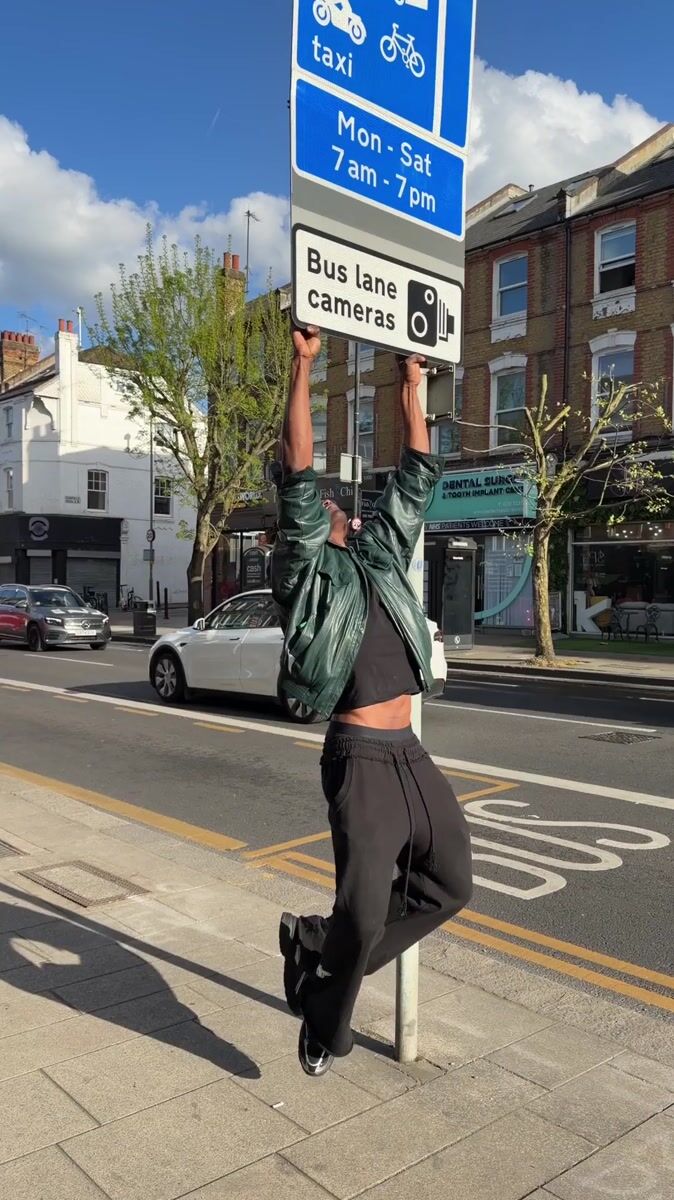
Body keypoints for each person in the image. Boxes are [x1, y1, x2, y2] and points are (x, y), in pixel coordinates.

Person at [271, 327, 473, 1077]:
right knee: (360, 913)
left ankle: (316, 951)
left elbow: (417, 475)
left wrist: (412, 386)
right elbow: (297, 468)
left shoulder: (380, 558)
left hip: (409, 751)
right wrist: (303, 365)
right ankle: (326, 1021)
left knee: (450, 886)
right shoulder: (306, 574)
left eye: (336, 501)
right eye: (320, 503)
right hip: (358, 755)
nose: (330, 501)